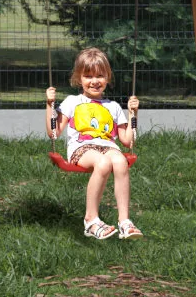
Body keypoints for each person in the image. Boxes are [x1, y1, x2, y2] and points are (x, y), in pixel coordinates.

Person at [45, 47, 143, 240]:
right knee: (103, 163)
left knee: (121, 162)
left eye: (100, 75)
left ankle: (124, 221)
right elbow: (53, 133)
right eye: (88, 76)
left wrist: (133, 113)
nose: (94, 81)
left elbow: (127, 140)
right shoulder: (72, 102)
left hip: (109, 147)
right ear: (78, 78)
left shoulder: (113, 107)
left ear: (107, 77)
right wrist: (49, 105)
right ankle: (91, 220)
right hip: (82, 148)